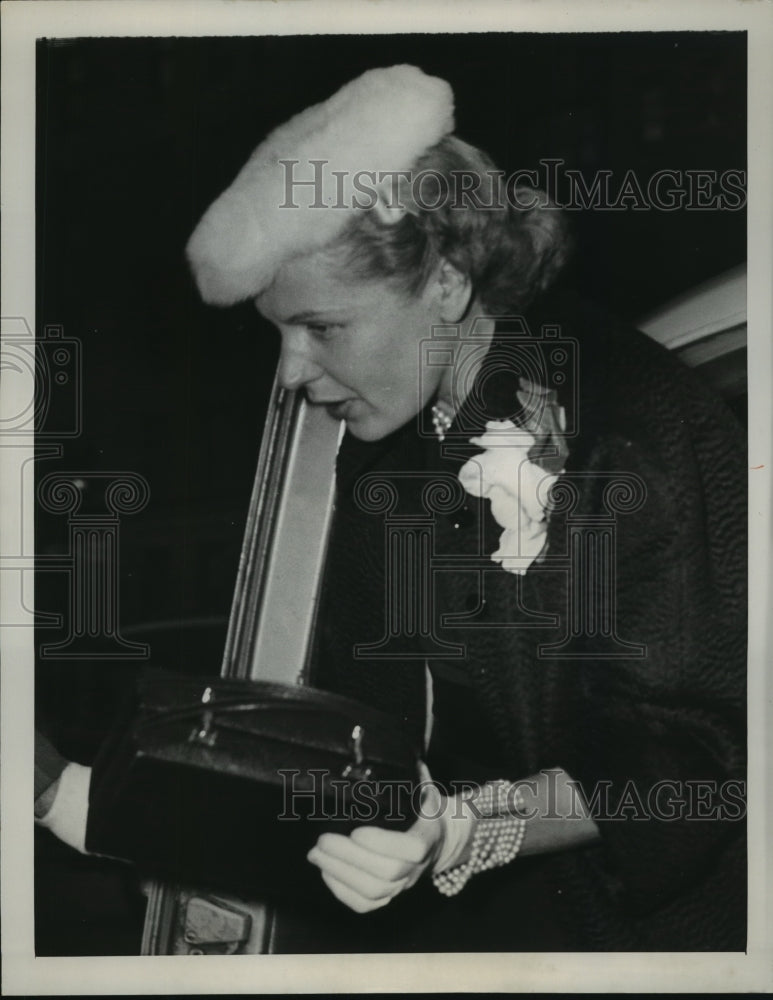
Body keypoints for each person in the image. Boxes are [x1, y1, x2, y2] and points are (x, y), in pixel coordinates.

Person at [38, 63, 747, 952]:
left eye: (323, 327)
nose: (290, 371)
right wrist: (79, 797)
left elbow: (696, 762)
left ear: (447, 283)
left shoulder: (626, 429)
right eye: (279, 332)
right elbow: (346, 724)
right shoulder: (390, 445)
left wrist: (463, 828)